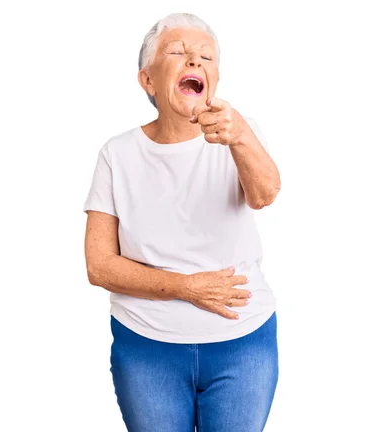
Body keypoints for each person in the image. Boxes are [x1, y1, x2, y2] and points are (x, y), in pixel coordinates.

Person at [83, 12, 282, 432]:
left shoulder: (241, 136)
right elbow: (99, 265)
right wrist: (187, 288)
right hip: (146, 348)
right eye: (178, 52)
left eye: (206, 57)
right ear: (148, 81)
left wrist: (241, 136)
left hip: (242, 344)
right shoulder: (116, 154)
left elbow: (264, 195)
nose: (195, 61)